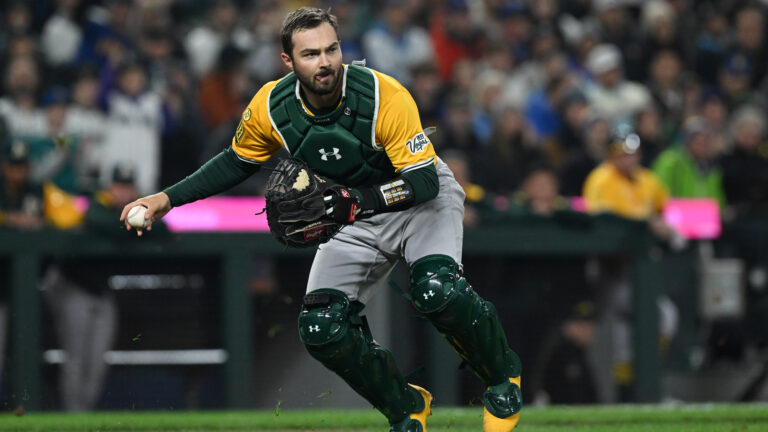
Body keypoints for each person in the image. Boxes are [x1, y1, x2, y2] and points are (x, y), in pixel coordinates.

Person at [120, 7, 522, 432]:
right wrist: (167, 198)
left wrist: (357, 202)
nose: (325, 61)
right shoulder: (272, 106)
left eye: (331, 49)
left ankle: (502, 378)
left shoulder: (382, 95)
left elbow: (423, 182)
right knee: (320, 327)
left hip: (414, 203)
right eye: (310, 54)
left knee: (436, 290)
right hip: (349, 209)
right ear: (288, 61)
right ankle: (405, 407)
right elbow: (235, 162)